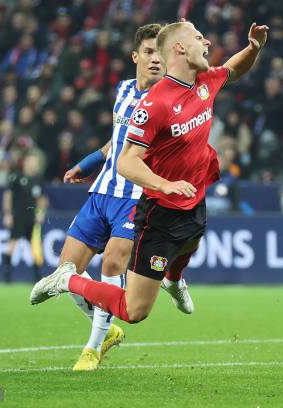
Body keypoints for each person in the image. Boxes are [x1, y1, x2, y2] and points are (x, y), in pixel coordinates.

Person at [30, 21, 268, 335]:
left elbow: (233, 69)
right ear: (180, 49)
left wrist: (253, 48)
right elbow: (126, 162)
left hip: (191, 197)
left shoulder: (204, 81)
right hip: (159, 211)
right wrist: (165, 184)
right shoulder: (155, 104)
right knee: (134, 310)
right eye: (199, 38)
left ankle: (173, 278)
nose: (207, 42)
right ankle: (67, 279)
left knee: (191, 241)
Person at [43, 24, 186, 372]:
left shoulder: (170, 99)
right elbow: (115, 144)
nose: (156, 59)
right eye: (149, 52)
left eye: (161, 53)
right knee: (67, 271)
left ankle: (92, 348)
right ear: (136, 56)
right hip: (101, 192)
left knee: (111, 263)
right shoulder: (122, 91)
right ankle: (106, 327)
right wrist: (88, 163)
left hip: (136, 196)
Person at [2, 153, 48, 283]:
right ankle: (7, 276)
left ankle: (37, 277)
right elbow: (7, 196)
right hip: (18, 217)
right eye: (32, 162)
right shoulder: (16, 177)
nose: (34, 165)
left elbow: (42, 199)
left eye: (36, 163)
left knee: (36, 246)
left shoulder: (38, 180)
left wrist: (41, 213)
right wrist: (7, 214)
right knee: (12, 244)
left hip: (32, 219)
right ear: (26, 162)